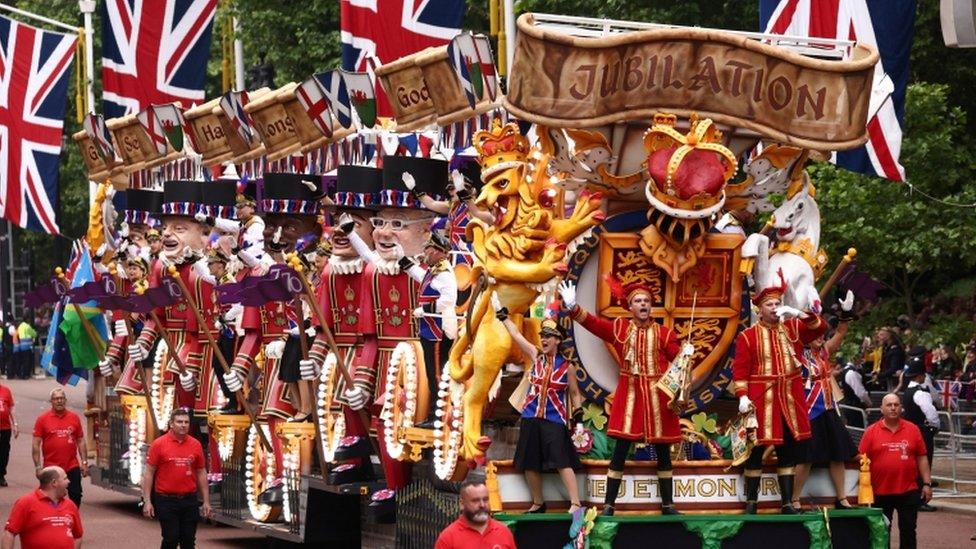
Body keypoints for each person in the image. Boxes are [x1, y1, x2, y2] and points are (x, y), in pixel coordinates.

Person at [559, 277, 692, 516]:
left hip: (658, 398)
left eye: (647, 301)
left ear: (651, 306)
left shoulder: (664, 333)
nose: (643, 305)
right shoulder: (620, 328)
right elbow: (595, 325)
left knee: (663, 452)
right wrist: (573, 308)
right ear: (630, 307)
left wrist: (687, 354)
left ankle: (668, 505)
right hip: (630, 395)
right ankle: (609, 505)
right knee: (620, 450)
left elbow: (679, 362)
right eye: (638, 301)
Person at [732, 275, 825, 514]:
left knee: (789, 452)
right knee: (756, 451)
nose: (774, 308)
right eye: (769, 305)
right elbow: (740, 371)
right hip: (761, 400)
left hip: (789, 399)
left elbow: (820, 328)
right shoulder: (747, 336)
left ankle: (786, 503)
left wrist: (798, 312)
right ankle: (751, 502)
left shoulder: (792, 329)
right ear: (759, 309)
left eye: (777, 304)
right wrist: (742, 396)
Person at [495, 293, 582, 514]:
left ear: (558, 340)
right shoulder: (536, 356)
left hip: (554, 419)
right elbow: (516, 335)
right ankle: (537, 502)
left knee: (562, 461)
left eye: (549, 336)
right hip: (531, 416)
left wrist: (579, 419)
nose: (543, 339)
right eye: (542, 335)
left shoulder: (567, 366)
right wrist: (503, 317)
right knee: (529, 461)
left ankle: (575, 503)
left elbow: (574, 393)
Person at [793, 291, 859, 510]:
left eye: (822, 333)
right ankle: (794, 498)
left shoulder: (824, 352)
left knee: (838, 454)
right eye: (817, 333)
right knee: (806, 457)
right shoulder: (797, 354)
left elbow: (841, 332)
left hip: (828, 408)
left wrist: (846, 314)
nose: (821, 337)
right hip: (809, 410)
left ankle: (841, 497)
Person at [859, 394, 932, 549]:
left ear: (901, 408)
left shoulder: (913, 429)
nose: (893, 408)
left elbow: (922, 458)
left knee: (909, 531)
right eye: (889, 405)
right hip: (879, 491)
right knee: (881, 531)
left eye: (896, 405)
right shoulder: (871, 432)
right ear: (882, 408)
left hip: (908, 490)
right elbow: (861, 460)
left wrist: (927, 483)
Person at [142, 408, 212, 549]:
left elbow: (201, 472)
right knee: (171, 538)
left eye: (186, 422)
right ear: (171, 424)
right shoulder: (159, 444)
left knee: (188, 541)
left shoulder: (195, 445)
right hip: (166, 500)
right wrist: (147, 501)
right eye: (179, 422)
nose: (183, 425)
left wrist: (206, 501)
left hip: (189, 499)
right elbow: (149, 473)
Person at [2, 466, 83, 549]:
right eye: (65, 478)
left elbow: (78, 536)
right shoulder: (26, 502)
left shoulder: (70, 505)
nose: (69, 481)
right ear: (54, 482)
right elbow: (9, 533)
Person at [32, 388, 87, 507]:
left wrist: (84, 462)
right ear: (51, 401)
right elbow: (36, 444)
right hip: (51, 467)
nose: (59, 401)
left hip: (72, 465)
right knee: (51, 497)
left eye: (62, 398)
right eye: (56, 399)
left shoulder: (74, 417)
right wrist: (37, 467)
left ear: (65, 400)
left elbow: (81, 440)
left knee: (76, 495)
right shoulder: (42, 419)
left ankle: (71, 517)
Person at [901, 358, 940, 512]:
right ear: (920, 375)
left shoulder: (907, 391)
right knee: (924, 463)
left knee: (914, 464)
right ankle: (921, 499)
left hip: (910, 430)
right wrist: (935, 426)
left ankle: (913, 497)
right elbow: (931, 413)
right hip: (922, 431)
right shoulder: (920, 393)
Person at [434, 479, 516, 549]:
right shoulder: (448, 538)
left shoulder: (503, 532)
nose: (482, 505)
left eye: (485, 499)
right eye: (475, 500)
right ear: (462, 504)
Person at [837, 361, 872, 427]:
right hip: (855, 409)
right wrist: (869, 403)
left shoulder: (848, 369)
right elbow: (861, 393)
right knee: (858, 431)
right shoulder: (851, 373)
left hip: (852, 407)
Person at [0, 380, 17, 486]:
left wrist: (15, 424)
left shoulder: (6, 391)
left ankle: (1, 474)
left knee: (4, 452)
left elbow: (11, 408)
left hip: (5, 427)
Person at [15, 315, 36, 380]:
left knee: (23, 361)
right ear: (27, 319)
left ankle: (22, 374)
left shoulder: (20, 326)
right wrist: (34, 332)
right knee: (27, 361)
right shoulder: (27, 326)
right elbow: (34, 334)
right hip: (28, 347)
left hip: (21, 346)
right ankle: (26, 375)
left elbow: (17, 334)